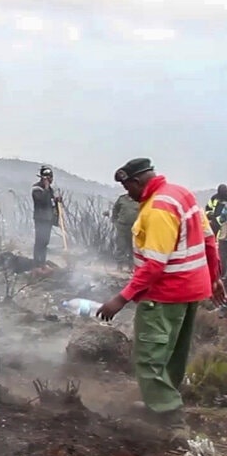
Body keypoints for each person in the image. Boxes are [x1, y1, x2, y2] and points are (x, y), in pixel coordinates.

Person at [97, 159, 226, 436]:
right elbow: (209, 240)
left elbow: (154, 265)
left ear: (136, 182)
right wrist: (214, 278)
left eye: (126, 187)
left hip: (164, 295)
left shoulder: (157, 209)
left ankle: (170, 415)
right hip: (191, 291)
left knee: (148, 357)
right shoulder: (181, 193)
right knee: (173, 353)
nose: (127, 194)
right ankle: (162, 403)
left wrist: (121, 298)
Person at [30, 165, 62, 267]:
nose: (50, 180)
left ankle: (42, 262)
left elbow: (51, 204)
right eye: (48, 178)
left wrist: (57, 201)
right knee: (39, 241)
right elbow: (42, 200)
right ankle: (37, 263)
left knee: (45, 242)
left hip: (48, 219)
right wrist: (47, 188)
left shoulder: (50, 190)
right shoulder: (37, 189)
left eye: (51, 178)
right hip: (40, 219)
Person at [110, 192, 140, 268]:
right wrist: (115, 221)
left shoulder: (139, 200)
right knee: (121, 246)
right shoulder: (122, 199)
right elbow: (115, 210)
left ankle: (131, 267)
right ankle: (119, 266)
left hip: (134, 228)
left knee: (132, 248)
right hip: (122, 227)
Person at [206, 184, 227, 282]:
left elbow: (222, 218)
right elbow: (207, 208)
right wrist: (210, 215)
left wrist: (218, 220)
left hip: (222, 228)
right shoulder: (214, 198)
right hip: (214, 226)